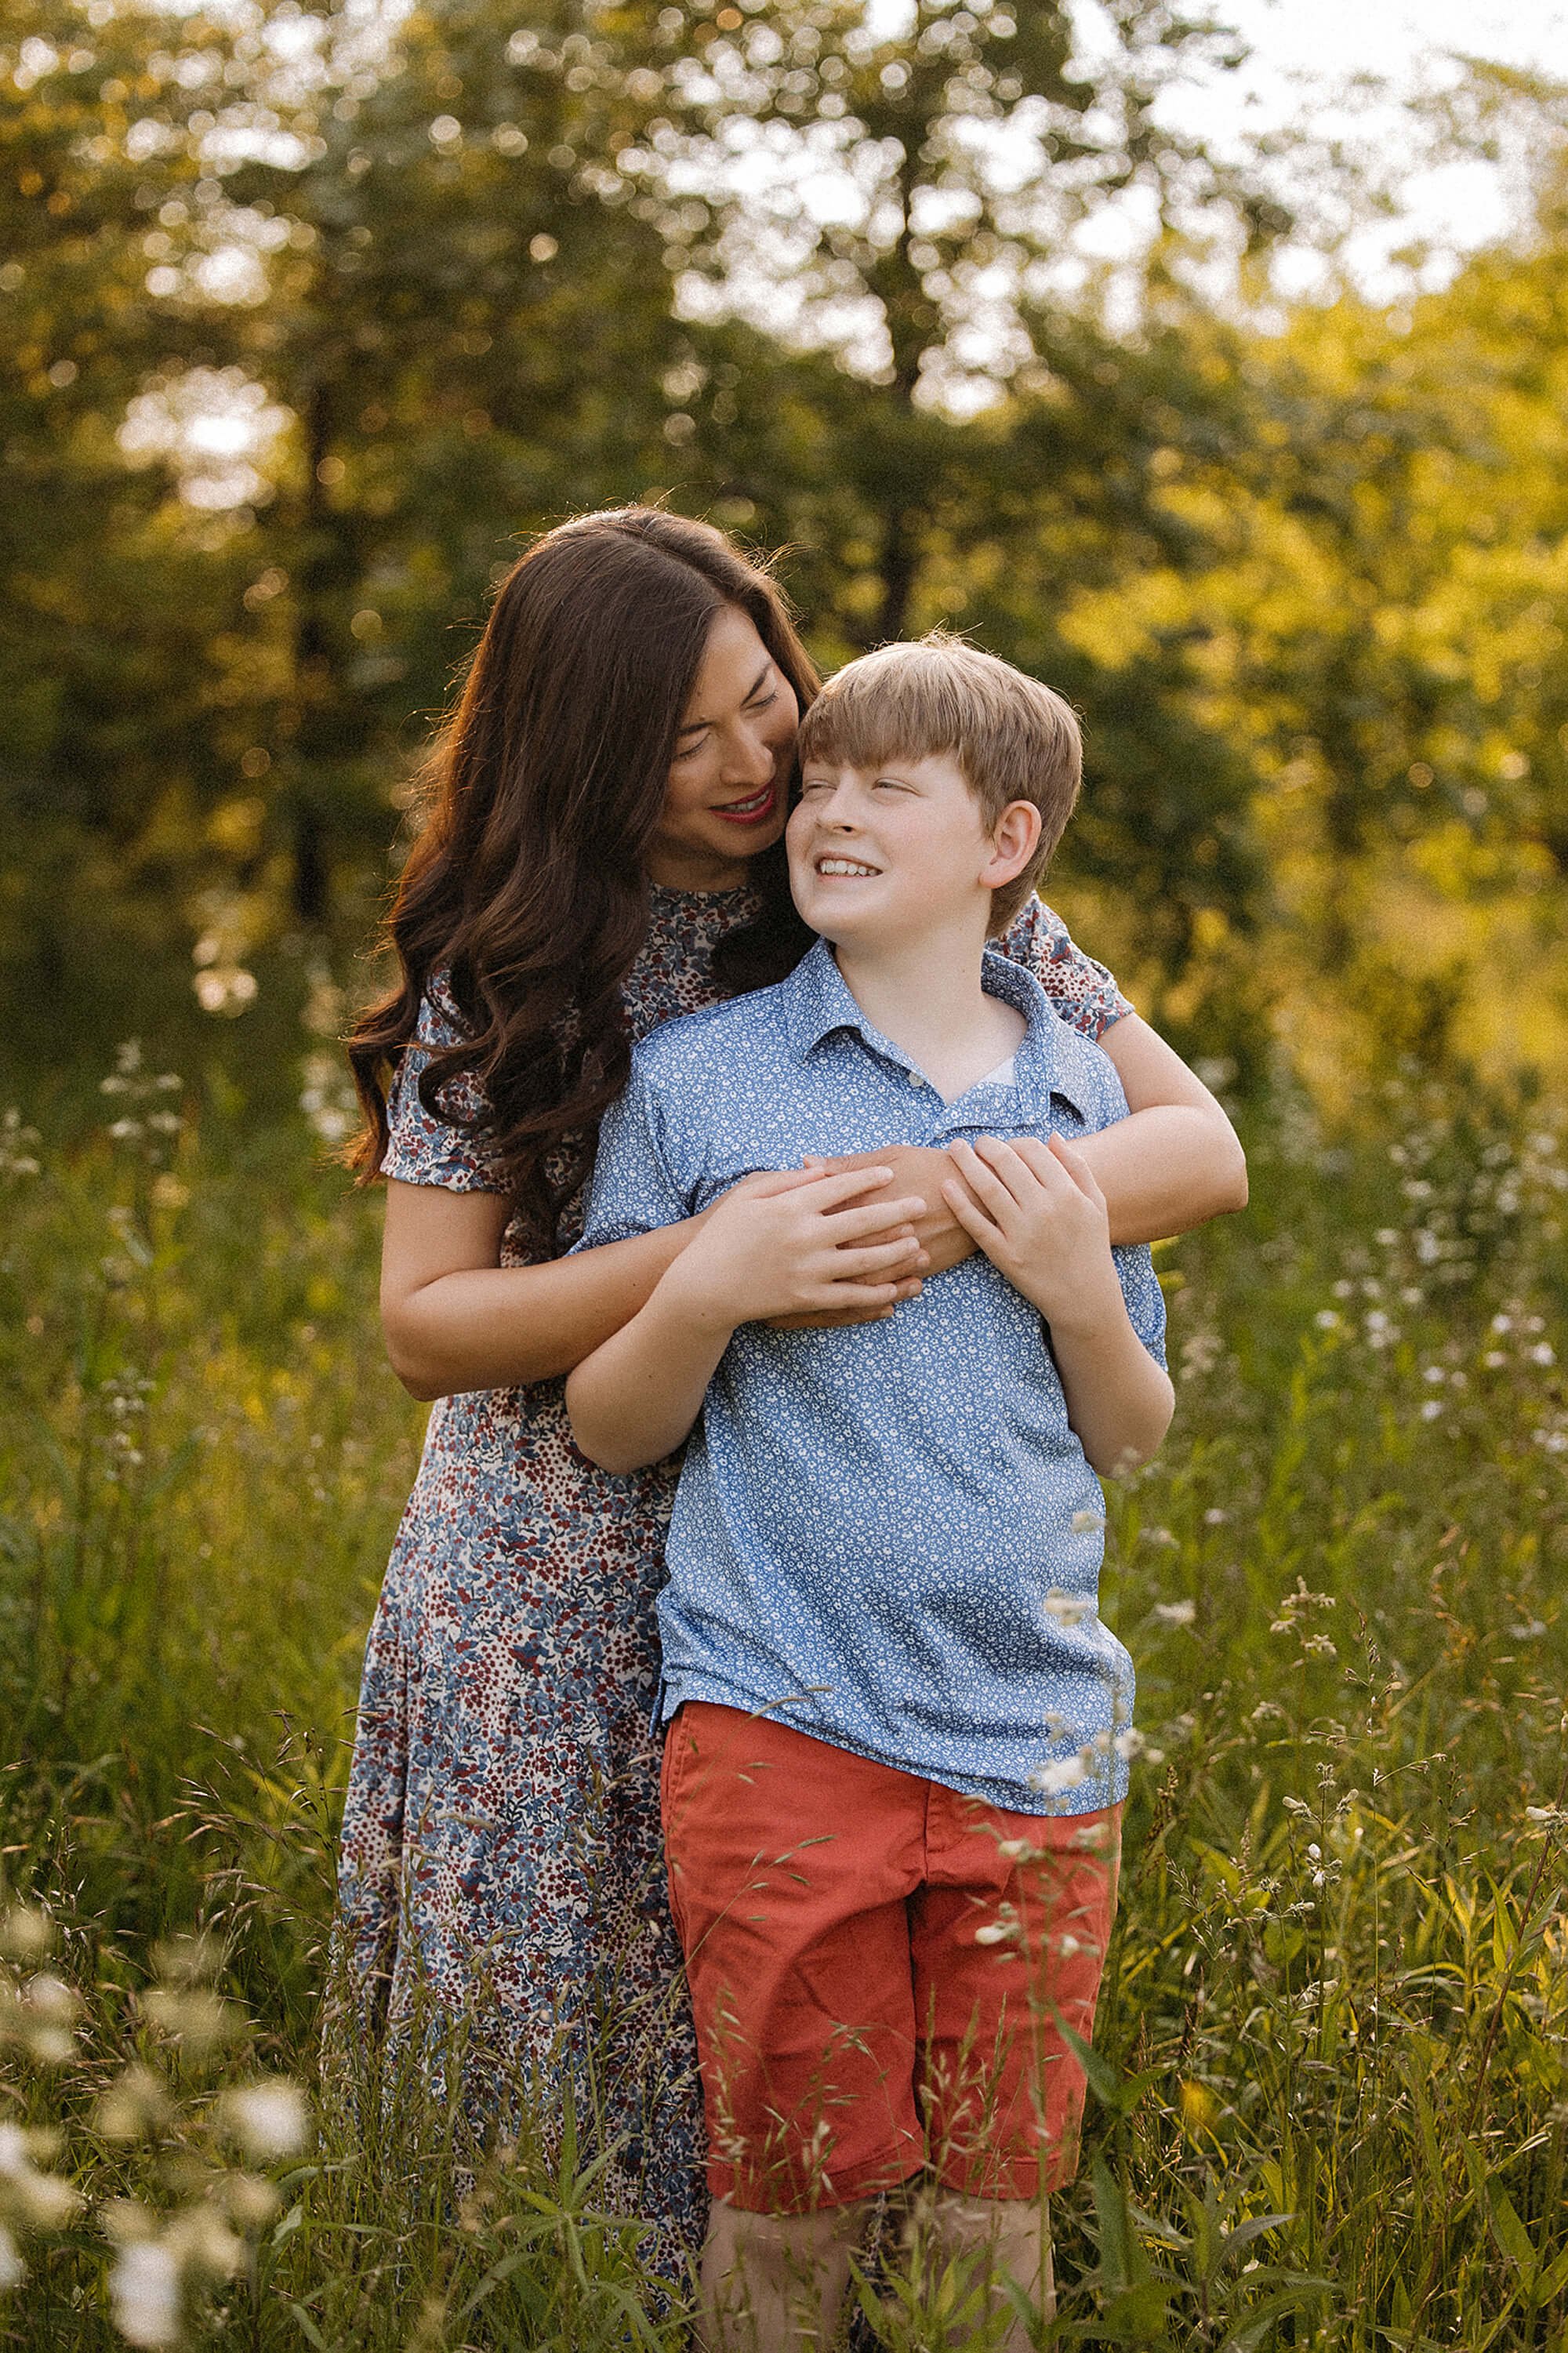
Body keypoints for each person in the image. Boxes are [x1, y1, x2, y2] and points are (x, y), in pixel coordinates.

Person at [341, 510, 1245, 2273]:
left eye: (767, 698)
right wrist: (719, 1258)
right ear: (584, 756)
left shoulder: (890, 865)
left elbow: (1194, 1149)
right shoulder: (512, 953)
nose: (762, 764)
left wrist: (930, 1196)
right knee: (575, 2059)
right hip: (562, 1545)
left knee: (843, 2080)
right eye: (689, 740)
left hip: (858, 1534)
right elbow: (428, 1327)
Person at [564, 636, 1177, 2350]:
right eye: (816, 777)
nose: (822, 806)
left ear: (1004, 840)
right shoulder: (703, 1077)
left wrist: (1070, 1275)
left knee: (995, 2204)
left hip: (1036, 1735)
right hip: (782, 1719)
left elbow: (1130, 1431)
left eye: (882, 784)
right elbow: (613, 1427)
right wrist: (702, 1288)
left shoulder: (1075, 1092)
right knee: (785, 2198)